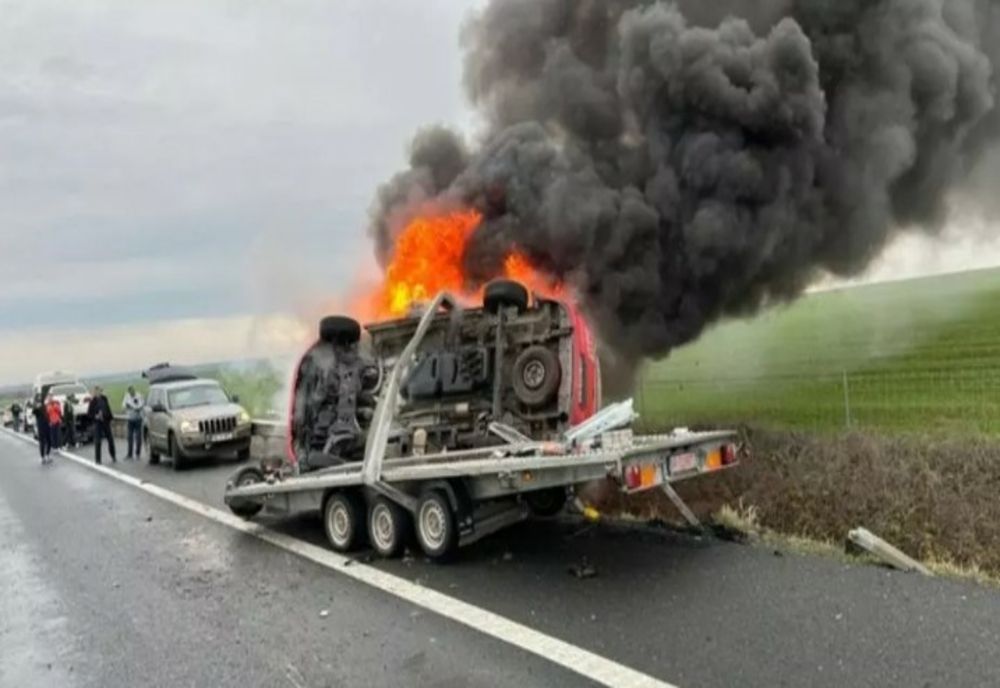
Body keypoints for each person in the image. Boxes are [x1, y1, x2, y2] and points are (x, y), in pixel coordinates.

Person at [88, 386, 117, 464]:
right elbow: (89, 414)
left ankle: (113, 456)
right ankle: (98, 460)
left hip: (106, 421)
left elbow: (108, 408)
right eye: (97, 391)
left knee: (110, 440)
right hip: (98, 423)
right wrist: (95, 416)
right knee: (98, 441)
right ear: (95, 392)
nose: (98, 393)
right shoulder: (92, 401)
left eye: (100, 391)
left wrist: (111, 419)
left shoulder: (104, 398)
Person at [122, 385, 144, 460]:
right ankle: (129, 454)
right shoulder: (127, 396)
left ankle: (138, 453)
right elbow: (123, 405)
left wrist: (134, 407)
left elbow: (141, 405)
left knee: (138, 437)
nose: (131, 392)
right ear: (129, 391)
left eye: (132, 391)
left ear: (134, 390)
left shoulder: (139, 395)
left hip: (138, 419)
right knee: (129, 438)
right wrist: (128, 406)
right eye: (130, 391)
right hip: (130, 419)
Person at [32, 395, 52, 464]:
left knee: (49, 441)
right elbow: (34, 412)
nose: (40, 402)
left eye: (41, 400)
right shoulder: (37, 409)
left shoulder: (45, 407)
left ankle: (47, 455)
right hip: (41, 427)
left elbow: (48, 415)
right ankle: (42, 457)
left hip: (47, 426)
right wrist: (36, 406)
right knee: (42, 442)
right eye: (38, 400)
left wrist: (50, 422)